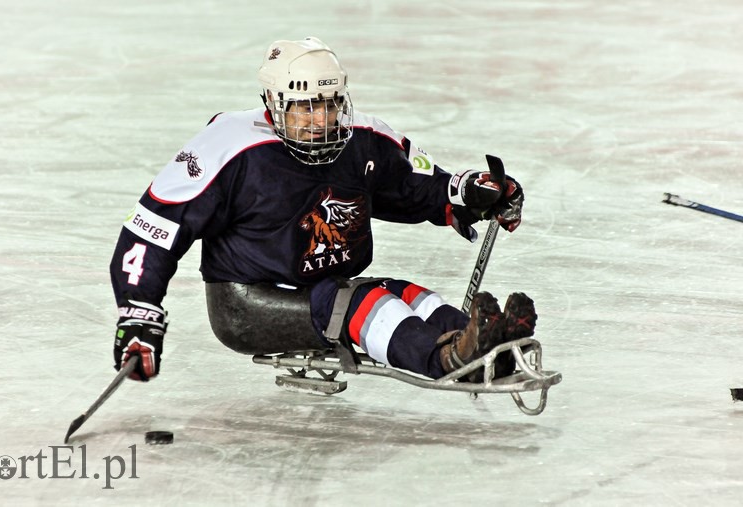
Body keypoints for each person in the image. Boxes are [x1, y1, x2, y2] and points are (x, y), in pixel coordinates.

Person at [110, 36, 536, 385]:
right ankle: (446, 360)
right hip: (248, 300)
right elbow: (153, 229)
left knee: (406, 294)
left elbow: (412, 187)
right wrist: (138, 310)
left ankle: (482, 343)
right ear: (274, 102)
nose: (321, 119)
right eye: (305, 106)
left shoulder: (364, 138)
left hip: (323, 285)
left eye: (330, 103)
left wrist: (471, 193)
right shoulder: (226, 147)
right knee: (360, 302)